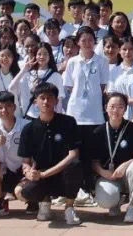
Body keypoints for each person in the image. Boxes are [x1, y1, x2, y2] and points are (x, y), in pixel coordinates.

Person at [16, 83, 83, 225]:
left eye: (50, 97)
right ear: (35, 101)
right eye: (42, 98)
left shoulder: (68, 122)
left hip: (63, 173)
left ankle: (69, 207)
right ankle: (45, 203)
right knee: (24, 192)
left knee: (75, 164)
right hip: (41, 174)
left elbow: (73, 154)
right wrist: (28, 172)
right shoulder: (28, 129)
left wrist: (45, 174)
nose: (46, 101)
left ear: (56, 100)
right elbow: (25, 161)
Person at [90, 92, 133, 223]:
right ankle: (116, 202)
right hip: (108, 176)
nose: (115, 110)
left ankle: (132, 206)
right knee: (105, 201)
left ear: (125, 109)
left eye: (120, 107)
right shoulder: (98, 132)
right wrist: (103, 172)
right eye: (112, 106)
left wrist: (125, 165)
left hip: (128, 176)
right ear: (106, 107)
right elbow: (94, 162)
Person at [0, 91, 29, 219]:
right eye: (0, 107)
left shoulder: (26, 125)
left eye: (8, 106)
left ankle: (34, 202)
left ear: (14, 107)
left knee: (21, 193)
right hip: (5, 170)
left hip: (25, 171)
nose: (4, 110)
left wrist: (29, 172)